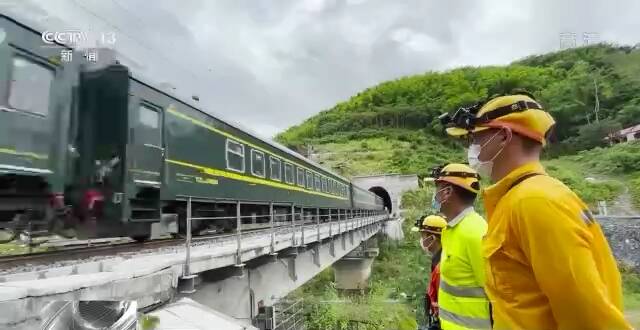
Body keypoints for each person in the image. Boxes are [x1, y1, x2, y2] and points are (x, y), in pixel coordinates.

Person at [442, 93, 632, 329]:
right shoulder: (521, 197)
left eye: (475, 138)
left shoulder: (533, 202)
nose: (471, 148)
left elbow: (587, 316)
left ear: (503, 136)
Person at [428, 163, 491, 329]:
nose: (434, 196)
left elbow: (495, 294)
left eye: (437, 190)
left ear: (447, 192)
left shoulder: (475, 232)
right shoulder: (452, 229)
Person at [412, 214, 448, 330]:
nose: (421, 240)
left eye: (423, 236)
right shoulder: (438, 260)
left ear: (432, 238)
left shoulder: (441, 267)